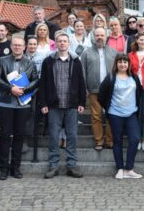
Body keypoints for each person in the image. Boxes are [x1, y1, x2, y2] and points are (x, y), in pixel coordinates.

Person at [39, 32, 87, 179]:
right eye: (59, 41)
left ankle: (71, 165)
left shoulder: (75, 61)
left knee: (72, 136)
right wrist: (44, 103)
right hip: (54, 105)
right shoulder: (48, 61)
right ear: (56, 44)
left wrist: (81, 102)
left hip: (71, 105)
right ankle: (53, 166)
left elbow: (81, 83)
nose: (62, 43)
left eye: (65, 41)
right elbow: (43, 84)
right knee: (54, 136)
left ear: (68, 43)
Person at [0, 36, 39, 180]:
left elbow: (36, 80)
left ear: (24, 47)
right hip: (5, 103)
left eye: (20, 45)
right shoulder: (2, 61)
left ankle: (15, 168)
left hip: (22, 105)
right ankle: (3, 169)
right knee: (5, 135)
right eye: (15, 45)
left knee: (19, 135)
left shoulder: (30, 63)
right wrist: (10, 89)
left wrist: (24, 90)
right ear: (11, 46)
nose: (17, 47)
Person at [98, 54, 144, 179]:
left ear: (129, 64)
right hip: (115, 114)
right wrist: (108, 107)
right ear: (116, 64)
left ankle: (129, 169)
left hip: (131, 114)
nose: (122, 64)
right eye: (120, 62)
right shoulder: (111, 77)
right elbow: (101, 95)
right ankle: (119, 168)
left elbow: (140, 92)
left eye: (125, 62)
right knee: (117, 141)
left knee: (134, 139)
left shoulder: (134, 77)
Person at [81, 28, 117, 150]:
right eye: (97, 35)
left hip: (110, 90)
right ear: (93, 36)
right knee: (96, 116)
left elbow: (118, 71)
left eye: (102, 35)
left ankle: (109, 140)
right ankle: (99, 141)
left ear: (106, 36)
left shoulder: (113, 52)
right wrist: (84, 87)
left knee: (110, 115)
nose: (100, 37)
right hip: (93, 89)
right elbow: (83, 72)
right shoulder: (86, 53)